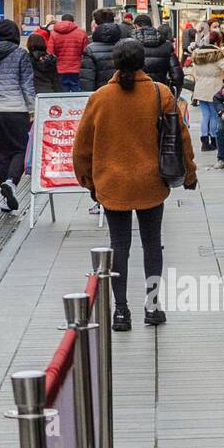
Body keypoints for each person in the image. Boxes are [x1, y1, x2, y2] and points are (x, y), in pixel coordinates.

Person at [73, 38, 197, 331]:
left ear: (115, 64)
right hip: (151, 181)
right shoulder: (160, 93)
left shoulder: (100, 98)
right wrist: (189, 173)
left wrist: (88, 180)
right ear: (142, 62)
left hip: (112, 182)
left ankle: (120, 311)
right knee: (152, 243)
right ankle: (152, 306)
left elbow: (81, 147)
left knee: (119, 245)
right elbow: (181, 139)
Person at [0, 19, 36, 213]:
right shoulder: (21, 54)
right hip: (17, 110)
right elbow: (27, 84)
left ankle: (5, 198)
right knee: (20, 150)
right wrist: (33, 110)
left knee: (1, 155)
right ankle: (11, 183)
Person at [132, 14, 184, 92]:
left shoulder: (130, 45)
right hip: (160, 92)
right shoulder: (167, 45)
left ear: (136, 26)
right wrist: (173, 92)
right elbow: (177, 75)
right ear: (151, 25)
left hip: (136, 92)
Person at [46, 13, 88, 91]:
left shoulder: (54, 34)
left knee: (63, 93)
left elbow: (50, 52)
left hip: (60, 69)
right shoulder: (82, 33)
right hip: (77, 68)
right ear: (73, 21)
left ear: (61, 21)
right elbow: (85, 52)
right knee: (77, 93)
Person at [80, 20, 125, 92]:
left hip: (100, 93)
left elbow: (87, 79)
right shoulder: (125, 46)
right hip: (121, 92)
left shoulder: (90, 49)